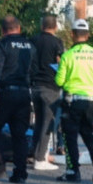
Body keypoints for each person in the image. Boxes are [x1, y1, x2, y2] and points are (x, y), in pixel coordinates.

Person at [0, 15, 36, 184]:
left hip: (6, 94)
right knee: (19, 135)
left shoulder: (3, 44)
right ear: (19, 29)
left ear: (2, 31)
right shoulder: (30, 46)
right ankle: (20, 173)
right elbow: (34, 70)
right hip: (24, 95)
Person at [54, 19, 93, 183]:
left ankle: (72, 171)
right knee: (90, 136)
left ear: (72, 34)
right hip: (91, 102)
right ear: (88, 35)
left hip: (72, 102)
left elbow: (59, 81)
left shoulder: (67, 56)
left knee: (70, 138)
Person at [30, 15, 65, 171]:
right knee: (47, 123)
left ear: (41, 26)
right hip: (50, 87)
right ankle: (40, 159)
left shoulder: (33, 40)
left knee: (38, 123)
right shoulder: (57, 43)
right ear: (55, 27)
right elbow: (61, 62)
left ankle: (34, 154)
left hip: (35, 86)